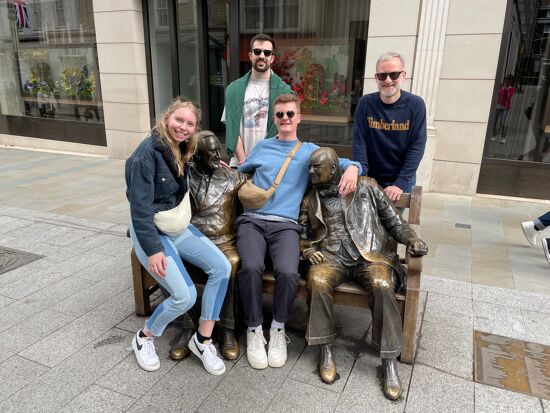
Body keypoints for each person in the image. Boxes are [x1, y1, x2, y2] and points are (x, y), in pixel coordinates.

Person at [236, 93, 362, 370]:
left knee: (288, 272)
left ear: (299, 118)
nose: (285, 119)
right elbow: (238, 171)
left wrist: (353, 166)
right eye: (280, 114)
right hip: (253, 220)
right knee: (252, 267)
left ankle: (278, 328)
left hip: (286, 225)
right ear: (274, 119)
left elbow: (339, 163)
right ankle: (255, 328)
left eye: (290, 114)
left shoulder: (308, 151)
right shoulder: (262, 147)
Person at [299, 147, 428, 400]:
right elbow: (302, 234)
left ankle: (388, 361)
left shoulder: (367, 187)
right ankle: (325, 349)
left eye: (316, 167)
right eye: (309, 168)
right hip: (331, 258)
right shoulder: (310, 198)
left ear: (334, 169)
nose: (311, 172)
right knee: (317, 279)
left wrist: (412, 239)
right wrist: (307, 251)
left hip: (369, 257)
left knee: (382, 283)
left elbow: (395, 222)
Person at [125, 98, 230, 375]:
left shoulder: (184, 146)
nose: (183, 127)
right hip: (152, 229)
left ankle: (203, 340)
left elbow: (197, 159)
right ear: (166, 118)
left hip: (176, 224)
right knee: (184, 296)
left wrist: (219, 162)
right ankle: (145, 337)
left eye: (190, 123)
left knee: (222, 267)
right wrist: (153, 249)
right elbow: (139, 211)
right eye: (178, 120)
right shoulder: (144, 156)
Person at [168, 131, 247, 361]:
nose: (217, 154)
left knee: (231, 262)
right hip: (193, 241)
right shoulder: (183, 176)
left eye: (218, 149)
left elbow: (261, 183)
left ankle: (227, 330)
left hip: (224, 242)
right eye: (210, 151)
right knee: (170, 259)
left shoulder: (233, 178)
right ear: (196, 154)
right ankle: (188, 327)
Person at [352, 52, 427, 202]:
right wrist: (364, 178)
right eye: (382, 76)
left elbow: (417, 146)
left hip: (401, 182)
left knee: (390, 225)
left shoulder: (415, 105)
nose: (388, 80)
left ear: (403, 75)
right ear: (376, 77)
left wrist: (399, 184)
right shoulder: (365, 103)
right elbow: (359, 142)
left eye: (394, 75)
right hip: (371, 179)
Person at [223, 33, 292, 167]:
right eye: (257, 51)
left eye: (267, 53)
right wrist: (244, 162)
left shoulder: (284, 91)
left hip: (271, 163)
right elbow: (232, 127)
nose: (262, 56)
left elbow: (286, 129)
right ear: (250, 55)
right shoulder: (234, 89)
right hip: (239, 163)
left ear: (272, 58)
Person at [491, 75, 516, 144]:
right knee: (494, 122)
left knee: (503, 123)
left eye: (508, 80)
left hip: (505, 107)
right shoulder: (500, 87)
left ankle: (503, 137)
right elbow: (497, 95)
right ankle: (494, 135)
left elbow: (509, 97)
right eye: (506, 79)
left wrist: (506, 89)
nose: (507, 81)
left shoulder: (512, 89)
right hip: (497, 106)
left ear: (511, 81)